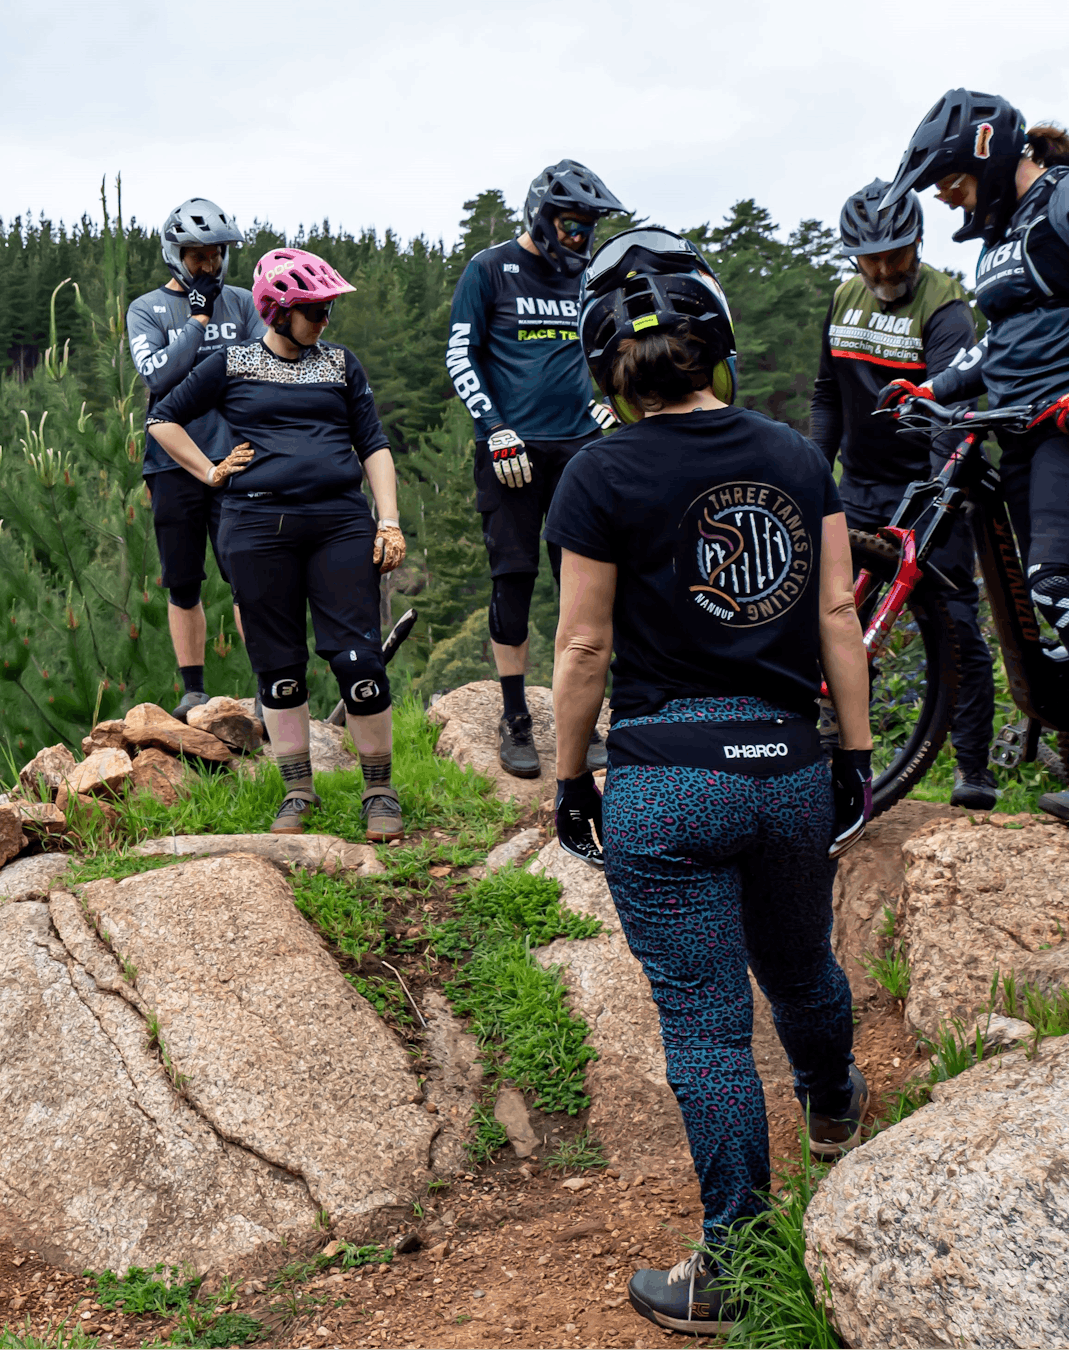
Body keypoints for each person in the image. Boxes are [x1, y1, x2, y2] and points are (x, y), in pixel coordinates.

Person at [546, 227, 875, 1335]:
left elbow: (583, 649)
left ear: (609, 372)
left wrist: (568, 774)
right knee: (799, 965)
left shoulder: (599, 472)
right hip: (783, 763)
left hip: (665, 778)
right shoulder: (790, 455)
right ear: (716, 345)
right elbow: (837, 613)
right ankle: (834, 1109)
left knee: (704, 1027)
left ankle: (734, 1265)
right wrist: (856, 754)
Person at [877, 91, 1069, 830]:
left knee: (1064, 580)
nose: (944, 197)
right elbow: (1002, 345)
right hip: (1034, 430)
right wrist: (933, 387)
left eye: (948, 180)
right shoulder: (1004, 241)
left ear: (985, 157)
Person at [146, 248, 408, 842]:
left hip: (340, 523)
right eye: (313, 311)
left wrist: (387, 521)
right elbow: (162, 418)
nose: (324, 322)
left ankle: (379, 789)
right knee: (279, 667)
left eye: (328, 310)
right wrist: (209, 471)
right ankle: (297, 790)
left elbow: (374, 444)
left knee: (358, 659)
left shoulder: (342, 365)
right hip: (257, 527)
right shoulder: (232, 363)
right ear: (277, 309)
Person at [809, 179, 1000, 809]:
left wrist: (937, 495)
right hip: (860, 485)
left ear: (918, 242)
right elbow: (828, 393)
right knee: (839, 613)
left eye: (897, 254)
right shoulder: (842, 297)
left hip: (932, 479)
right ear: (852, 256)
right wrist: (816, 470)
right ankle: (834, 750)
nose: (886, 268)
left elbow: (951, 406)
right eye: (872, 258)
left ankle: (973, 769)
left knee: (955, 623)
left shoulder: (946, 306)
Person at [447, 160, 624, 779]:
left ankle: (590, 721)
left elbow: (606, 347)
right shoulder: (489, 269)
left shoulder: (587, 276)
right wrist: (494, 428)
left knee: (586, 588)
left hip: (579, 446)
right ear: (542, 217)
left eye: (589, 229)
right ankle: (516, 717)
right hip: (510, 449)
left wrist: (609, 403)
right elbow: (459, 354)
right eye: (573, 226)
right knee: (513, 583)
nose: (582, 239)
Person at [127, 198, 267, 721]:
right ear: (175, 254)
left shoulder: (245, 302)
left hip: (237, 457)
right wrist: (197, 320)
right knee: (182, 579)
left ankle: (266, 683)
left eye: (215, 256)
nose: (208, 266)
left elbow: (261, 364)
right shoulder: (147, 309)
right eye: (197, 257)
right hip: (172, 463)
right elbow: (159, 377)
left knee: (247, 573)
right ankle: (193, 688)